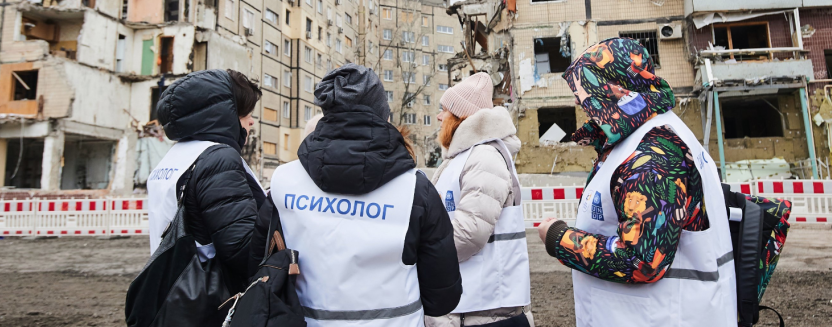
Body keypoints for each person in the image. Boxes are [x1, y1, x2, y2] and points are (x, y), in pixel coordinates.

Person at [535, 38, 736, 327]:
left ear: (617, 89)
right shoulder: (650, 134)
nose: (579, 102)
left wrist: (559, 238)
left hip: (664, 317)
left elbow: (641, 260)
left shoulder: (654, 152)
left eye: (585, 93)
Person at [269, 64, 462, 327]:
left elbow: (260, 269)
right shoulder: (415, 189)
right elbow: (443, 296)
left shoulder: (283, 181)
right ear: (382, 113)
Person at [146, 69, 267, 301]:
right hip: (212, 302)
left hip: (173, 292)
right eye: (245, 114)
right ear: (224, 114)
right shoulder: (218, 158)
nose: (251, 121)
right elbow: (243, 251)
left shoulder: (175, 157)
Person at [427, 72, 532, 327]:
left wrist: (422, 256)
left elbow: (470, 233)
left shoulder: (484, 157)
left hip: (485, 313)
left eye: (445, 110)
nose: (439, 117)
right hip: (470, 307)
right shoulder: (463, 157)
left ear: (460, 116)